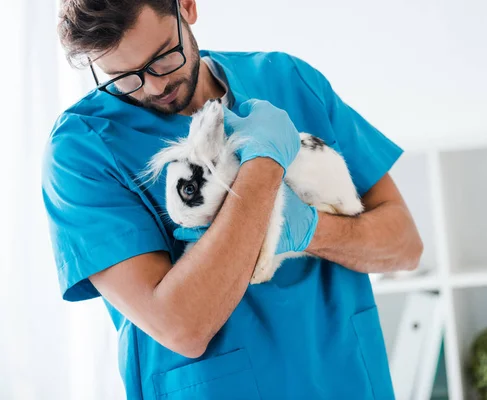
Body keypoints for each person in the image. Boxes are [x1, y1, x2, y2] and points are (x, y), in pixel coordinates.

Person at [43, 0, 423, 398]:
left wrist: (310, 229)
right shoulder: (81, 151)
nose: (154, 87)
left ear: (186, 7)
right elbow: (181, 326)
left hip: (345, 379)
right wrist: (263, 166)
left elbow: (404, 246)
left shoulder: (287, 80)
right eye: (122, 76)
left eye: (162, 58)